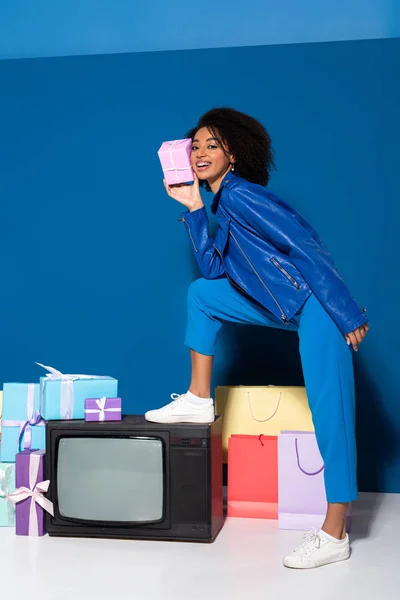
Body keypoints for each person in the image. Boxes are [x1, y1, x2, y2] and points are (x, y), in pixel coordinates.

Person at [145, 107, 369, 569]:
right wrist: (192, 208)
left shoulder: (245, 196)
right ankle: (198, 397)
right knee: (202, 294)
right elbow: (213, 270)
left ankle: (336, 531)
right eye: (197, 146)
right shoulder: (220, 203)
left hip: (316, 307)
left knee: (332, 415)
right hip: (279, 304)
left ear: (235, 152)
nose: (202, 152)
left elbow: (304, 245)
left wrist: (345, 311)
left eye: (214, 144)